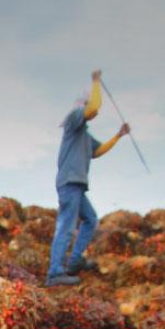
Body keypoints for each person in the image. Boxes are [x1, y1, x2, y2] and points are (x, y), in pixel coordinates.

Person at [46, 69, 129, 287]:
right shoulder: (73, 119)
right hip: (69, 182)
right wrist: (96, 83)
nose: (94, 113)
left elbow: (98, 151)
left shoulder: (84, 134)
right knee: (66, 224)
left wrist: (118, 136)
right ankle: (55, 273)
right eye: (89, 107)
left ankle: (74, 262)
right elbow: (93, 108)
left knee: (90, 219)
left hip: (78, 184)